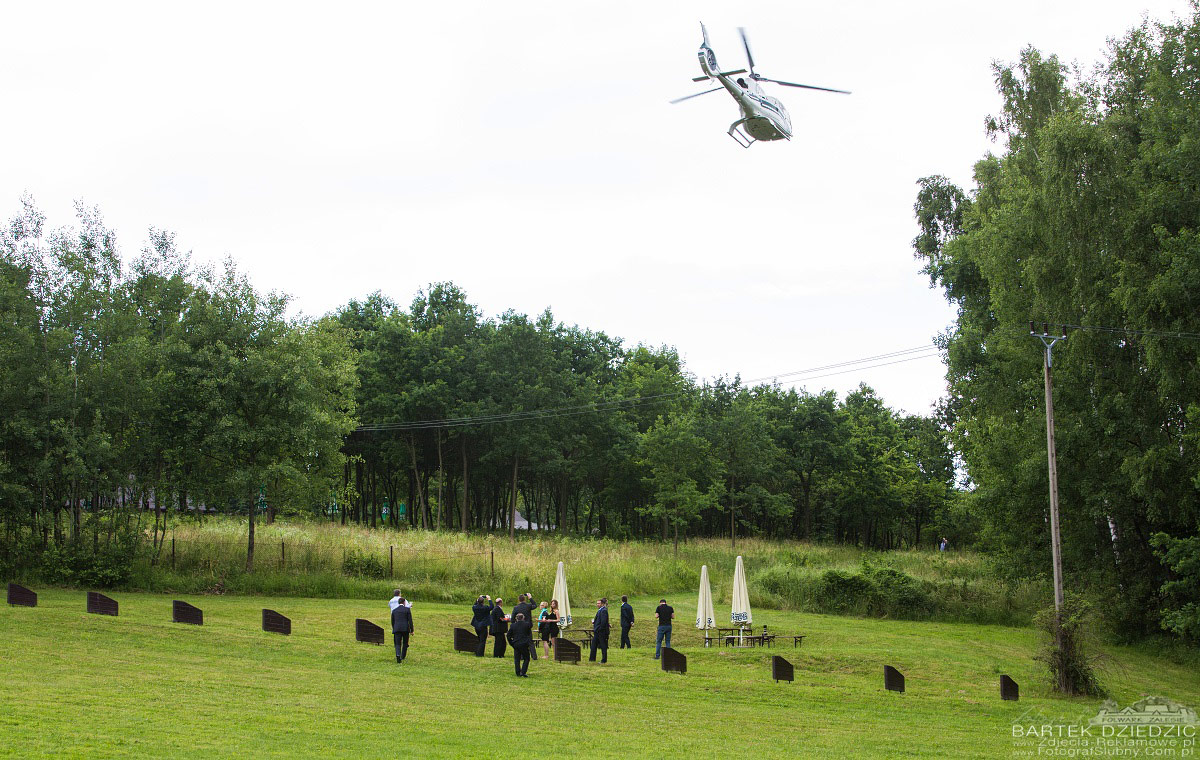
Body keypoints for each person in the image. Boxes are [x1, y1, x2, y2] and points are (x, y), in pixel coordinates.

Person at [511, 594, 537, 661]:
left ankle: (522, 656)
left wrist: (514, 624)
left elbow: (512, 619)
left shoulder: (516, 608)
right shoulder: (528, 606)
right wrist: (530, 598)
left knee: (521, 641)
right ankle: (534, 656)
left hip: (519, 626)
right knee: (530, 641)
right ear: (525, 599)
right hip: (527, 625)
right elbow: (535, 605)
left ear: (519, 600)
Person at [508, 612, 533, 677]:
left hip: (516, 643)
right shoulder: (527, 625)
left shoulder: (513, 625)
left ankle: (518, 672)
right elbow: (528, 634)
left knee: (517, 659)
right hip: (524, 643)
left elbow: (508, 635)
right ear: (523, 618)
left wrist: (511, 643)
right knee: (526, 658)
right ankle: (523, 672)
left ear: (516, 619)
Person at [391, 596, 414, 663]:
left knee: (397, 643)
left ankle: (398, 654)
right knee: (405, 643)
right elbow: (410, 621)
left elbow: (392, 621)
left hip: (397, 629)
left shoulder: (394, 611)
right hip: (405, 629)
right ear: (404, 602)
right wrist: (412, 630)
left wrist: (394, 628)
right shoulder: (407, 610)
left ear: (398, 603)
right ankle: (402, 656)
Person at [589, 598, 610, 664]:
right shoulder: (600, 610)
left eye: (599, 603)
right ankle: (592, 659)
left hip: (601, 632)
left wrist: (599, 629)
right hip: (597, 631)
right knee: (593, 645)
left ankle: (604, 660)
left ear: (602, 604)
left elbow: (603, 622)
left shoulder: (603, 610)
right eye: (597, 603)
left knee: (603, 646)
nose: (597, 604)